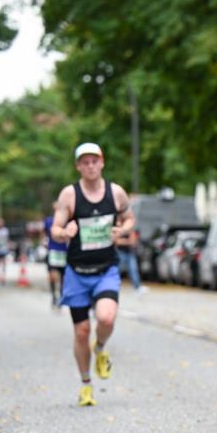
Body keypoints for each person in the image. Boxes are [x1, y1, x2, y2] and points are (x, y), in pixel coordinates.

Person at [50, 142, 136, 406]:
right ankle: (86, 384)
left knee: (106, 319)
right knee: (81, 332)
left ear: (102, 163)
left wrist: (122, 230)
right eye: (84, 162)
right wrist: (65, 233)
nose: (90, 166)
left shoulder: (116, 192)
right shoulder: (70, 195)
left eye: (94, 161)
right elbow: (55, 228)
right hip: (77, 272)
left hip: (106, 270)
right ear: (78, 166)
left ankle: (99, 350)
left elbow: (130, 218)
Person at [43, 202, 69, 309]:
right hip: (53, 251)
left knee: (63, 276)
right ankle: (54, 295)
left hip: (64, 251)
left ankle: (62, 296)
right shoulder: (49, 221)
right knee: (53, 276)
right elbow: (44, 233)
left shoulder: (67, 221)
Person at [116, 226, 147, 294]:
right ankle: (113, 286)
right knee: (116, 270)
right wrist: (127, 241)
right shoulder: (117, 228)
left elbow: (133, 241)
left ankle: (137, 287)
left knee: (133, 270)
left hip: (129, 252)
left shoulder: (129, 229)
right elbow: (116, 241)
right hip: (119, 252)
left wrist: (122, 241)